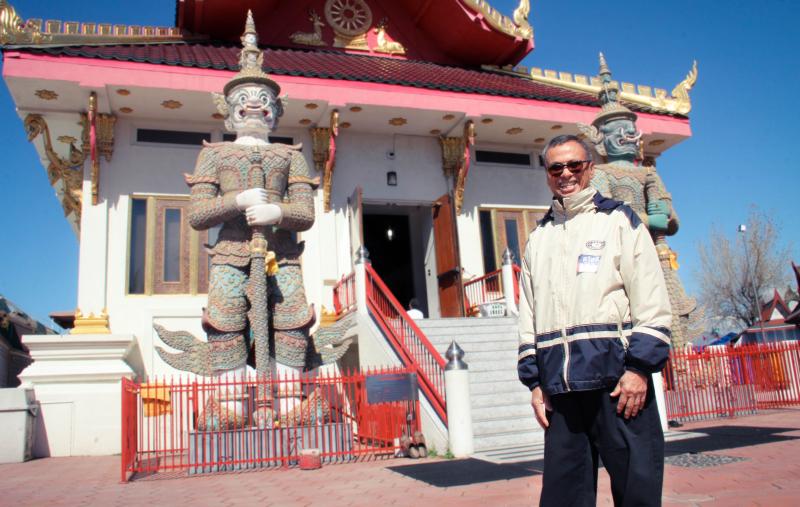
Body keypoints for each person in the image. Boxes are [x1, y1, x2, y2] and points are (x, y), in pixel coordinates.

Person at [517, 134, 672, 506]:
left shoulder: (619, 221)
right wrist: (535, 384)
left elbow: (651, 299)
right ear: (547, 174)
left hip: (618, 384)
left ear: (590, 167)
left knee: (638, 492)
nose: (565, 174)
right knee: (561, 498)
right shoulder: (539, 238)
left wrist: (638, 369)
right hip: (561, 392)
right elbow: (529, 315)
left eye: (574, 165)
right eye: (556, 167)